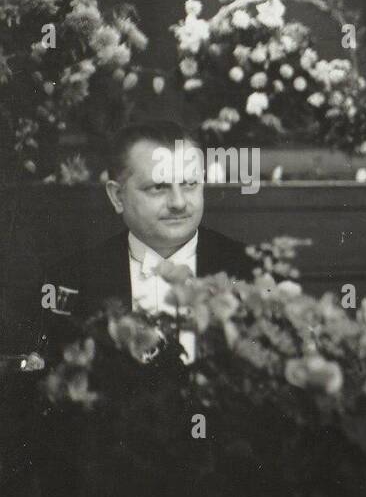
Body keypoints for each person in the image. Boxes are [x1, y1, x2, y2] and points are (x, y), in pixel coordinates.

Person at [43, 121, 256, 357]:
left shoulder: (251, 271)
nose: (179, 202)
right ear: (117, 196)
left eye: (189, 184)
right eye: (158, 187)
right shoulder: (71, 278)